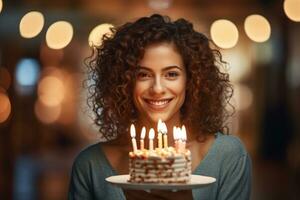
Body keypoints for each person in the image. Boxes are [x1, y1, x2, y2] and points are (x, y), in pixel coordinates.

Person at [68, 14, 252, 200]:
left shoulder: (228, 156)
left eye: (171, 74)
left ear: (192, 81)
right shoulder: (90, 164)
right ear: (123, 82)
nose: (157, 89)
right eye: (143, 75)